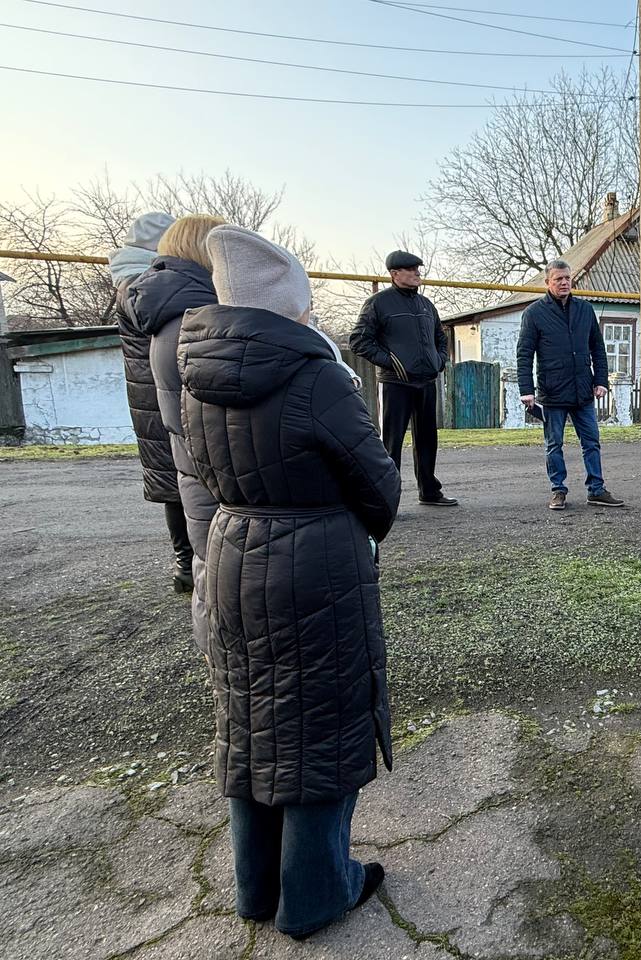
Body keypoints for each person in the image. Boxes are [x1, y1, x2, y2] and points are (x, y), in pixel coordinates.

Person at [179, 225, 401, 939]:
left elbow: (203, 474)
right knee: (320, 724)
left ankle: (257, 887)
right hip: (315, 562)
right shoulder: (316, 374)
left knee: (252, 719)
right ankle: (315, 895)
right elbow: (379, 487)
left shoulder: (195, 373)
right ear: (291, 302)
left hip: (232, 554)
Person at [126, 214, 224, 657]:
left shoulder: (154, 297)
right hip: (204, 443)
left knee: (203, 545)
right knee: (222, 561)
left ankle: (219, 654)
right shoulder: (192, 310)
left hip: (172, 432)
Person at [110, 211, 192, 592]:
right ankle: (186, 565)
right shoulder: (138, 284)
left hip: (157, 392)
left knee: (178, 476)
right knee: (176, 478)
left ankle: (187, 564)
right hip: (160, 395)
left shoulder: (135, 280)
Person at [349, 250, 457, 507]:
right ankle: (387, 498)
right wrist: (390, 362)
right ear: (394, 274)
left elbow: (440, 338)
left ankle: (429, 491)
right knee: (391, 442)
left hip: (426, 381)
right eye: (410, 269)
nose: (417, 273)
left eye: (418, 268)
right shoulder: (378, 303)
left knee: (427, 439)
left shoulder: (426, 305)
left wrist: (439, 360)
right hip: (394, 383)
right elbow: (359, 341)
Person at [516, 258, 624, 510]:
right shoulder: (534, 313)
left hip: (583, 390)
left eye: (567, 278)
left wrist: (600, 380)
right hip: (552, 391)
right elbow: (524, 353)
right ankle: (558, 490)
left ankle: (596, 490)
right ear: (548, 282)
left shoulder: (585, 310)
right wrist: (526, 390)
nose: (564, 283)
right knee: (554, 444)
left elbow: (598, 348)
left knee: (591, 442)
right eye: (558, 279)